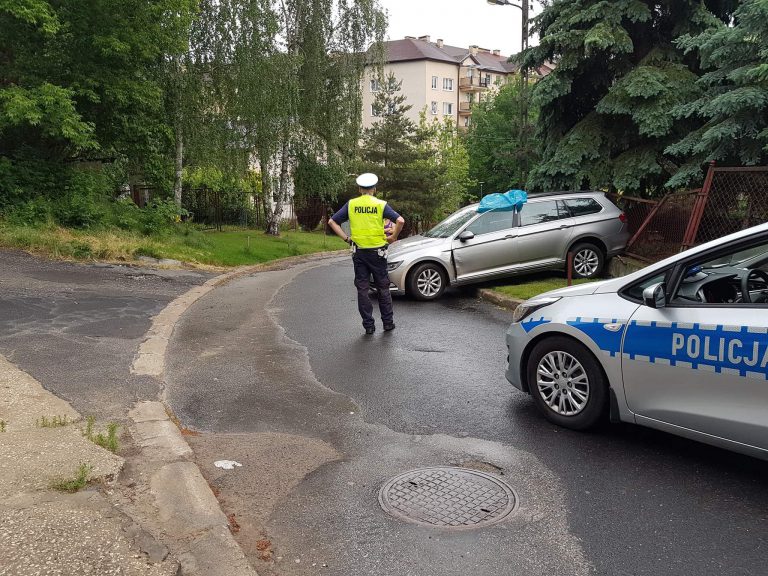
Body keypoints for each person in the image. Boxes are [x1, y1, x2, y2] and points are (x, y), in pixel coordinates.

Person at [328, 173, 405, 335]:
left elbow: (332, 221)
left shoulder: (351, 204)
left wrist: (346, 238)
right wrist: (393, 237)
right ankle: (388, 323)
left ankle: (368, 326)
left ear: (359, 189)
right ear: (374, 189)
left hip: (359, 253)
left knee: (362, 289)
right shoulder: (380, 204)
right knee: (383, 287)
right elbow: (400, 221)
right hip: (379, 253)